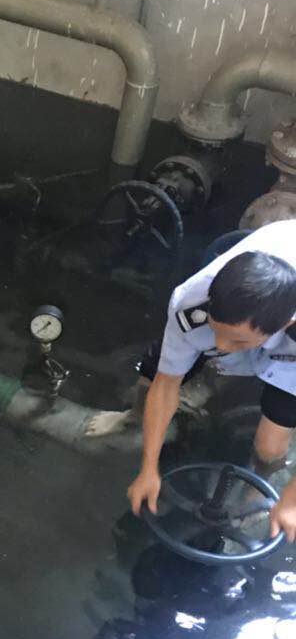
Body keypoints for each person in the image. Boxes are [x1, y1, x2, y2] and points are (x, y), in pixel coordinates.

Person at [126, 221, 296, 543]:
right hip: (260, 301)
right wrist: (148, 468)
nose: (220, 346)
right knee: (154, 370)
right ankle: (132, 417)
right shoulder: (191, 301)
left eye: (237, 340)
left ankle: (257, 488)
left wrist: (291, 498)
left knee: (270, 448)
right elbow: (165, 385)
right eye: (217, 330)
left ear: (285, 324)